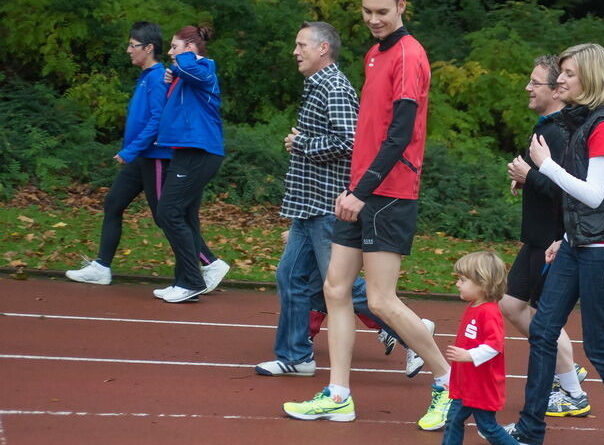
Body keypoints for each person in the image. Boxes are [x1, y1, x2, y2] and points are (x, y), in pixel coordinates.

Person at [283, 0, 448, 430]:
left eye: (382, 11)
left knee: (379, 300)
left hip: (389, 192)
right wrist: (353, 187)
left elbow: (399, 135)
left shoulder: (411, 56)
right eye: (367, 11)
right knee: (335, 289)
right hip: (361, 189)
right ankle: (338, 394)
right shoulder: (374, 54)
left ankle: (449, 379)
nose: (374, 20)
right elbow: (369, 131)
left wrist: (360, 190)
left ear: (401, 6)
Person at [504, 42, 604, 445]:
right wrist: (564, 235)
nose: (561, 80)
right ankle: (531, 430)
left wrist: (544, 166)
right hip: (576, 243)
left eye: (568, 73)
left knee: (600, 345)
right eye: (561, 73)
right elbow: (581, 199)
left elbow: (594, 193)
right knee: (543, 330)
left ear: (589, 77)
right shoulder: (582, 120)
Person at [253, 22, 410, 377]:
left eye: (301, 44)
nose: (295, 51)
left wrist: (302, 143)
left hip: (327, 204)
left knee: (340, 286)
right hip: (308, 204)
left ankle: (411, 333)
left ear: (323, 48)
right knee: (290, 277)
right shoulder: (317, 85)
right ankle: (296, 356)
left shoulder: (334, 86)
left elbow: (351, 140)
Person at [66, 22, 226, 291]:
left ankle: (206, 264)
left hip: (156, 156)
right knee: (114, 203)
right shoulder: (152, 76)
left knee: (167, 215)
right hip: (142, 155)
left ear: (148, 48)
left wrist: (130, 150)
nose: (128, 50)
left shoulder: (160, 76)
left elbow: (157, 119)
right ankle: (102, 266)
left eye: (133, 45)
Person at [505, 55, 588, 417]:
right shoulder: (546, 126)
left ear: (555, 90)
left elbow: (570, 191)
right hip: (536, 238)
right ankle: (565, 367)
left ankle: (571, 387)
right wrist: (521, 177)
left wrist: (530, 178)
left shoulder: (560, 131)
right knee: (511, 305)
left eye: (535, 82)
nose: (528, 87)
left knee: (543, 318)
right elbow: (540, 174)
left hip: (554, 241)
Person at [417, 251, 535, 445]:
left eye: (462, 279)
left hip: (481, 386)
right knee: (453, 420)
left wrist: (468, 355)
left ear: (482, 282)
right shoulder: (474, 306)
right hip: (466, 384)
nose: (457, 284)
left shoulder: (489, 312)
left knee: (488, 427)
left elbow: (494, 346)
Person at [152, 25, 228, 303]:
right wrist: (172, 75)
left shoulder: (205, 68)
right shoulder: (186, 75)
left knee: (168, 212)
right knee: (182, 216)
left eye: (174, 47)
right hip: (186, 152)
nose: (170, 53)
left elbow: (193, 68)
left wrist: (184, 59)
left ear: (190, 48)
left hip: (201, 152)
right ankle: (188, 279)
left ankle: (192, 281)